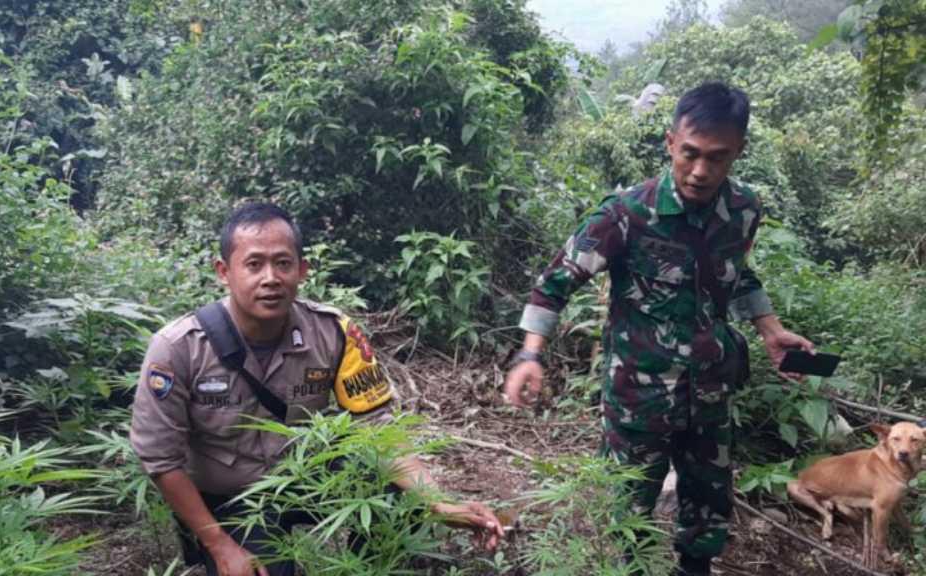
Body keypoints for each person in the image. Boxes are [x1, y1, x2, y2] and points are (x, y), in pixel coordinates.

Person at [503, 82, 814, 576]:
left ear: (739, 152)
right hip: (638, 398)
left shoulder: (744, 210)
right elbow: (554, 284)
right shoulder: (627, 213)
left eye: (717, 157)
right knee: (627, 513)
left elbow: (737, 275)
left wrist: (770, 330)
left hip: (711, 392)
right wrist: (529, 355)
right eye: (689, 153)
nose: (699, 170)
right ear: (670, 142)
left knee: (708, 506)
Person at [131, 202, 503, 576]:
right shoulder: (179, 347)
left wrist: (436, 501)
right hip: (229, 499)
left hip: (302, 479)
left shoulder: (334, 332)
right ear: (224, 272)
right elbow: (161, 459)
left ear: (302, 270)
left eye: (283, 263)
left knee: (396, 498)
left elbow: (377, 426)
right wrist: (220, 545)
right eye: (254, 264)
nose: (271, 277)